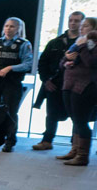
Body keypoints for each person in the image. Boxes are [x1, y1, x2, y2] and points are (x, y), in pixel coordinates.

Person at [34, 11, 85, 151]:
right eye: (71, 20)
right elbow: (42, 63)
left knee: (77, 116)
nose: (73, 23)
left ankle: (75, 145)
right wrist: (46, 80)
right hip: (55, 84)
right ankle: (47, 140)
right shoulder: (55, 42)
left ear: (82, 23)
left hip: (76, 86)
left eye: (76, 20)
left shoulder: (86, 44)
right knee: (51, 114)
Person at [0, 17, 34, 152]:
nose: (8, 28)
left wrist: (10, 68)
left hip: (12, 82)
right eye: (6, 26)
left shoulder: (23, 44)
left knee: (11, 112)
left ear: (18, 29)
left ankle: (10, 140)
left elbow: (28, 64)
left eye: (12, 26)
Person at [57, 17, 97, 167]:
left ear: (94, 29)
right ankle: (74, 150)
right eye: (82, 25)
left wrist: (82, 47)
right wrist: (66, 60)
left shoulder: (90, 44)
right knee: (75, 120)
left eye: (85, 25)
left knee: (81, 120)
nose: (81, 27)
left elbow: (91, 62)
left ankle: (82, 156)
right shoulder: (79, 42)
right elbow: (62, 63)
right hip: (69, 84)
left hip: (85, 86)